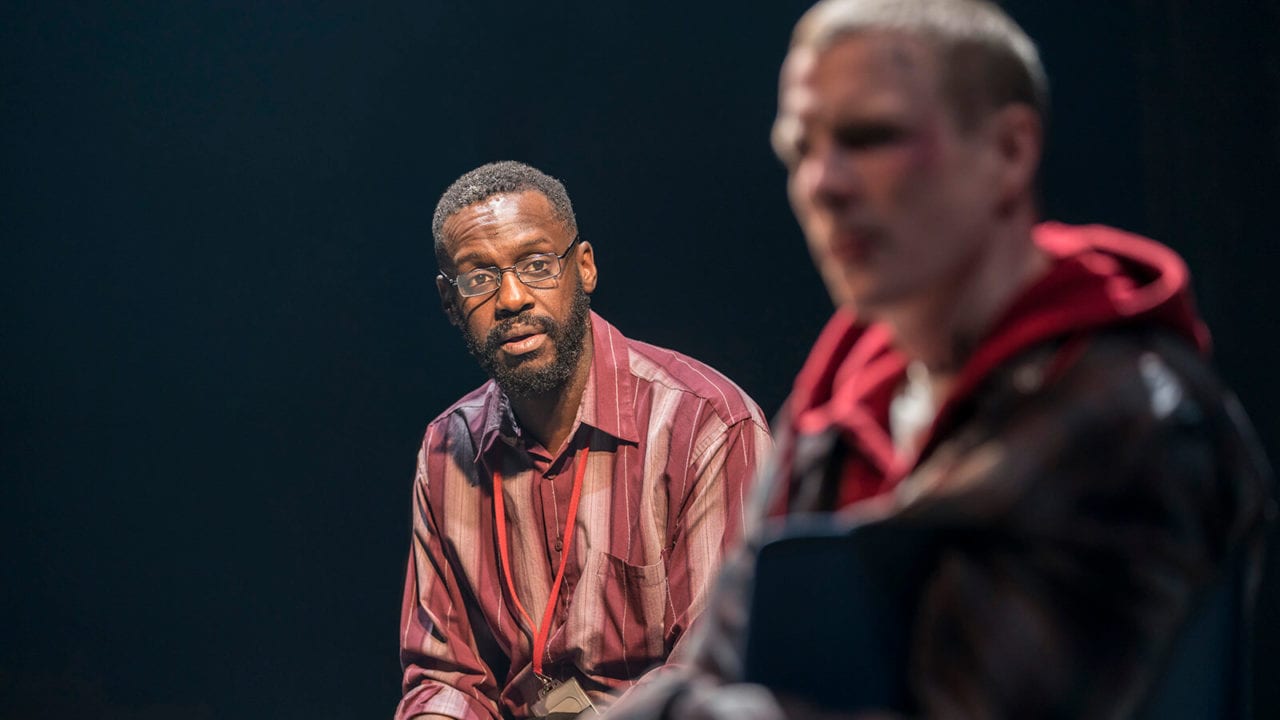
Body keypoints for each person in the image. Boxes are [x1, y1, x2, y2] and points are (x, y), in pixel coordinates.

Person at [609, 0, 1273, 717]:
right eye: (800, 149)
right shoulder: (831, 410)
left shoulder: (1139, 414)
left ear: (1011, 151)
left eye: (872, 137)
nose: (822, 184)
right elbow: (712, 667)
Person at [395, 161, 772, 719]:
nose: (513, 298)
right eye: (479, 278)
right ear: (450, 303)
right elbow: (445, 677)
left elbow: (716, 670)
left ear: (586, 267)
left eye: (537, 264)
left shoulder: (705, 426)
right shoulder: (446, 452)